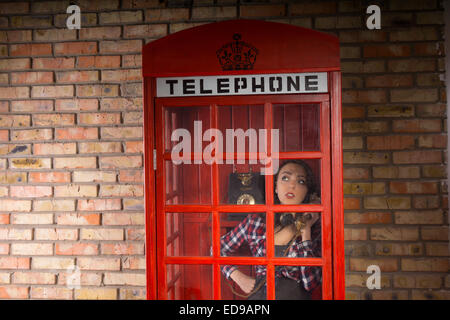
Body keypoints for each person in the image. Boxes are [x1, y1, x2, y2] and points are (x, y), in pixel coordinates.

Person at [220, 159, 322, 300]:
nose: (291, 185)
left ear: (307, 192)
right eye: (285, 178)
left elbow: (310, 283)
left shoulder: (315, 227)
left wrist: (306, 231)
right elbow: (218, 248)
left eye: (300, 181)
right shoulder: (255, 222)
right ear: (275, 187)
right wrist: (236, 275)